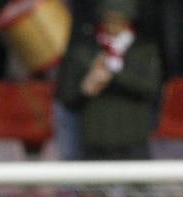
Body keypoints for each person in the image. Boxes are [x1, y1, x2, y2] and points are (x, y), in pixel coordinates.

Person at [55, 0, 162, 161]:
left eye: (118, 21)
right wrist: (85, 88)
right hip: (95, 139)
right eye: (108, 20)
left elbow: (151, 87)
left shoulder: (143, 50)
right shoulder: (85, 51)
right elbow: (66, 96)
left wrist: (113, 74)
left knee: (137, 183)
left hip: (133, 139)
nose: (112, 26)